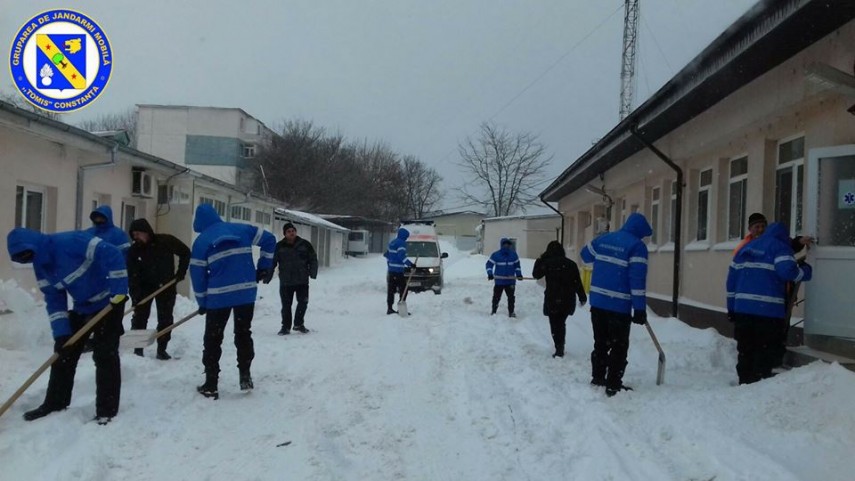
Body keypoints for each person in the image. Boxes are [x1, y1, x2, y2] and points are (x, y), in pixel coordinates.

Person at [7, 228, 128, 424]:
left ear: (35, 245)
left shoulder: (71, 241)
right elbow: (54, 300)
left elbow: (112, 253)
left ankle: (106, 410)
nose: (28, 258)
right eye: (23, 258)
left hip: (110, 302)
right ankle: (55, 403)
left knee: (105, 354)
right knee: (63, 353)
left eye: (28, 253)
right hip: (82, 307)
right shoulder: (41, 266)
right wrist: (61, 333)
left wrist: (119, 291)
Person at [189, 203, 276, 399]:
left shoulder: (202, 241)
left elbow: (197, 275)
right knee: (243, 333)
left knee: (213, 339)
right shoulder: (241, 229)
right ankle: (245, 375)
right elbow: (270, 239)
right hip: (245, 293)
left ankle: (211, 385)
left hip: (218, 297)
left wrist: (202, 301)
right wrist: (264, 266)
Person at [727, 222, 812, 385]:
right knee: (764, 349)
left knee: (745, 349)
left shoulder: (746, 248)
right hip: (768, 311)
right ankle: (759, 382)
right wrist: (806, 271)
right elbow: (787, 271)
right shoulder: (780, 248)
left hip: (742, 310)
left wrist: (732, 308)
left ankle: (744, 380)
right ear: (784, 237)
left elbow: (731, 281)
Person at [580, 212, 652, 397]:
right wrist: (640, 309)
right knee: (619, 347)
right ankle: (613, 384)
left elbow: (585, 255)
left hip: (597, 302)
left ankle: (597, 377)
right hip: (619, 306)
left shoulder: (605, 239)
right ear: (639, 231)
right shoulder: (637, 246)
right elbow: (637, 279)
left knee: (601, 343)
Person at [126, 218, 190, 359]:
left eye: (138, 234)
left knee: (165, 318)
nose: (135, 238)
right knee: (140, 318)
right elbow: (132, 276)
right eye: (133, 235)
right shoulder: (133, 251)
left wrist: (180, 273)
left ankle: (162, 349)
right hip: (144, 288)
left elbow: (185, 252)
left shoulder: (165, 241)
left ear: (147, 232)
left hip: (166, 286)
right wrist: (135, 296)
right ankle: (138, 351)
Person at [532, 241, 587, 358]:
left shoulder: (547, 263)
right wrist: (582, 296)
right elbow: (577, 282)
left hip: (553, 297)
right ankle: (560, 346)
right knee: (561, 322)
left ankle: (559, 347)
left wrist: (540, 260)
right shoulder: (571, 264)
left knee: (555, 323)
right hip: (568, 298)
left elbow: (536, 274)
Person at [270, 222, 318, 335]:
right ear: (284, 234)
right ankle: (285, 327)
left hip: (302, 280)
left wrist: (313, 271)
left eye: (293, 231)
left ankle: (298, 324)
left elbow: (313, 258)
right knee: (286, 305)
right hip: (286, 281)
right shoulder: (279, 246)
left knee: (303, 302)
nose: (291, 233)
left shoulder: (305, 244)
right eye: (289, 231)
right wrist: (268, 274)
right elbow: (273, 261)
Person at [486, 238, 523, 318]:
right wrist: (490, 274)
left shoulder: (513, 255)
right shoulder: (496, 255)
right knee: (496, 297)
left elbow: (517, 266)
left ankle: (511, 312)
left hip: (510, 281)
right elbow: (489, 265)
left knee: (511, 298)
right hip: (499, 281)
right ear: (502, 245)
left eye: (508, 244)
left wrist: (519, 274)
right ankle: (494, 311)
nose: (506, 246)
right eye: (505, 244)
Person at [384, 227, 415, 315]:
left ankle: (389, 309)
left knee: (391, 291)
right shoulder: (402, 243)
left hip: (391, 271)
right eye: (406, 237)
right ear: (404, 236)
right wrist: (410, 264)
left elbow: (387, 255)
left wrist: (390, 266)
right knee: (404, 289)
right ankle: (400, 309)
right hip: (398, 271)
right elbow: (402, 256)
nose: (406, 239)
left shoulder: (392, 242)